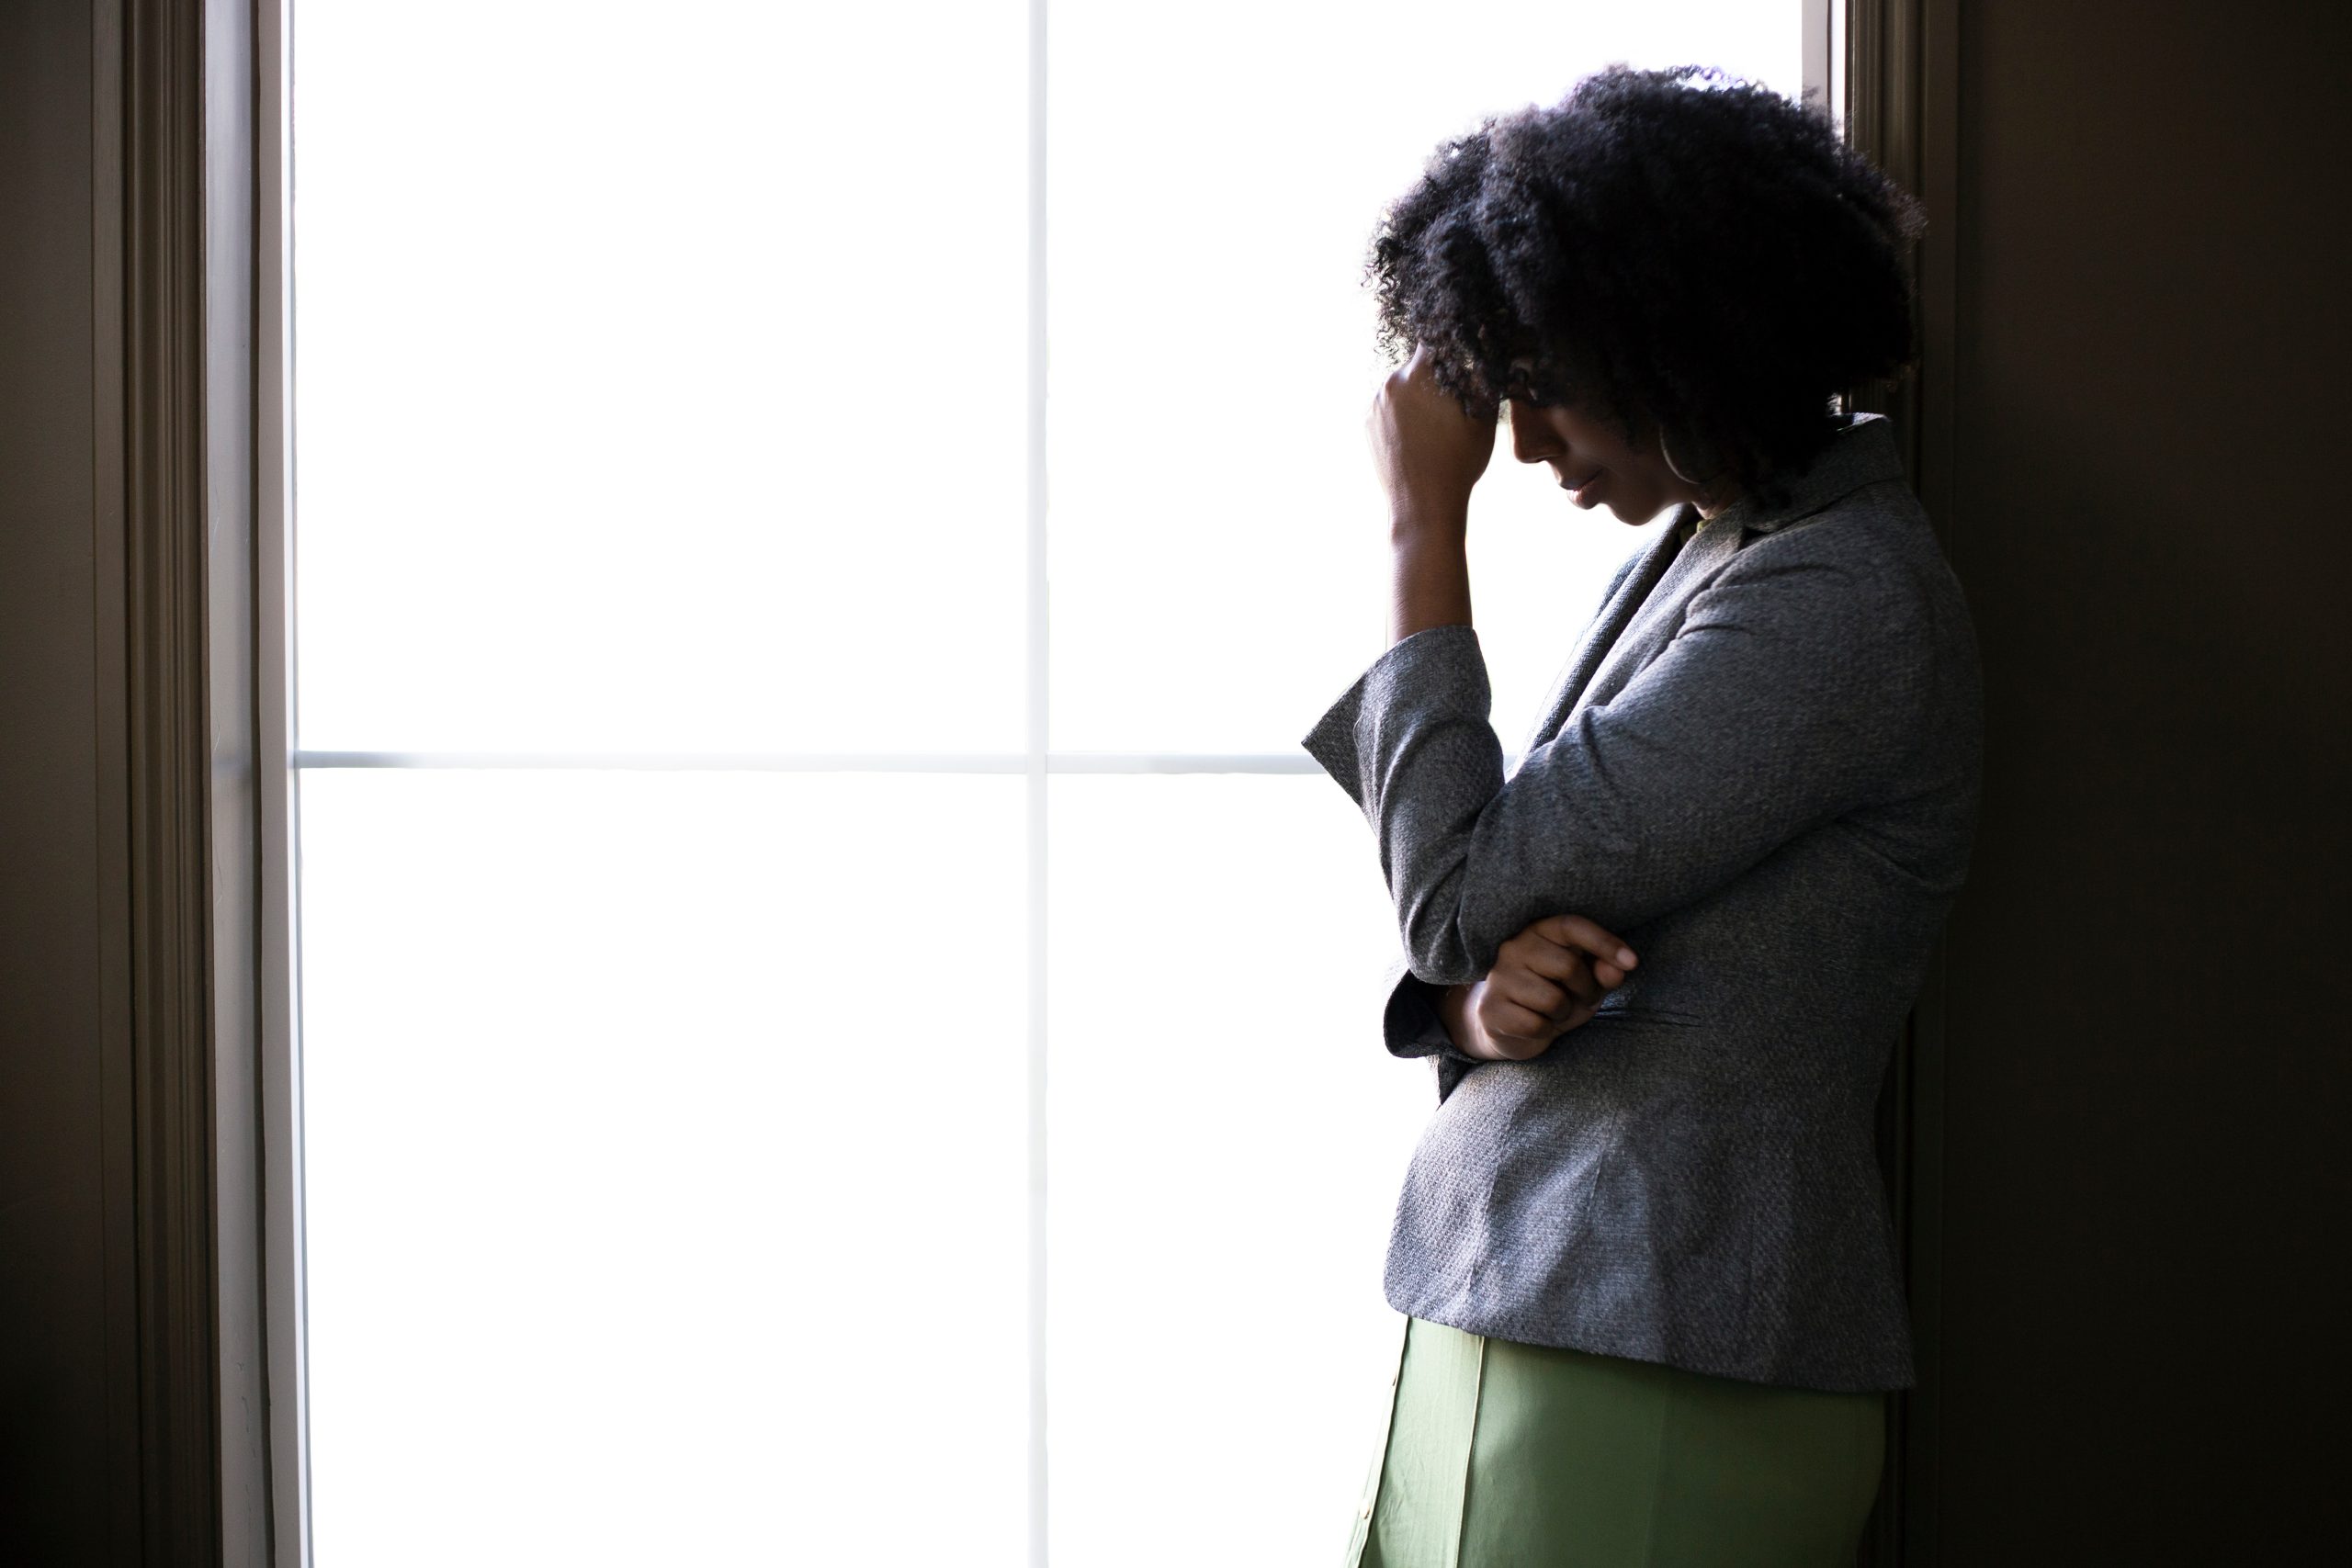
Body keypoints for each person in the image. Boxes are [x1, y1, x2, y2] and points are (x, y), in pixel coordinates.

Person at [1300, 65, 1982, 1567]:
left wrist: (1424, 526)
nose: (1522, 439)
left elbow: (1463, 886)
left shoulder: (1837, 597)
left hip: (1657, 1351)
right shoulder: (1726, 549)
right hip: (1543, 1316)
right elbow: (1500, 926)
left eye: (1535, 375)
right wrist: (1477, 1013)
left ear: (1676, 334)